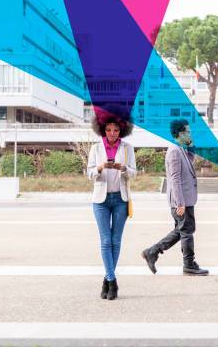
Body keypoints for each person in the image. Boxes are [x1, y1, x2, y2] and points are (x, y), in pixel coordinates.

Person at [141, 119, 209, 276]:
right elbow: (175, 179)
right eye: (188, 131)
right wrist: (180, 203)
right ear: (180, 133)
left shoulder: (181, 149)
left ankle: (152, 252)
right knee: (186, 232)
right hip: (181, 201)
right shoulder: (173, 151)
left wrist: (191, 146)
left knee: (182, 230)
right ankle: (189, 264)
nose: (190, 133)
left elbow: (190, 162)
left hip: (185, 199)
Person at [88, 109, 136, 300]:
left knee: (116, 241)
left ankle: (108, 280)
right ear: (102, 130)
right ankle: (112, 280)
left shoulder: (127, 148)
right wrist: (100, 168)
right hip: (100, 201)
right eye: (108, 130)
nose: (112, 133)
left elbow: (134, 173)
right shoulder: (95, 148)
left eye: (116, 129)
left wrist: (124, 169)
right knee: (105, 241)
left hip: (120, 200)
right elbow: (89, 174)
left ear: (122, 130)